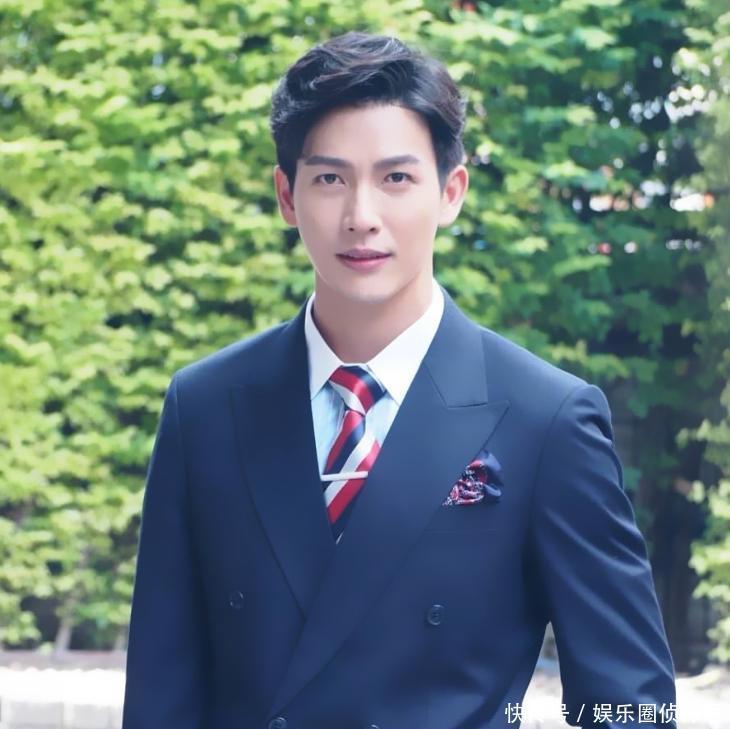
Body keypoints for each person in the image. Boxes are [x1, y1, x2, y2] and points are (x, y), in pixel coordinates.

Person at [121, 30, 677, 729]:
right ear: (287, 195)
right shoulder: (205, 408)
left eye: (396, 178)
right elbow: (160, 698)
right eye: (330, 179)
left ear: (451, 191)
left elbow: (631, 704)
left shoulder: (546, 418)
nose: (362, 217)